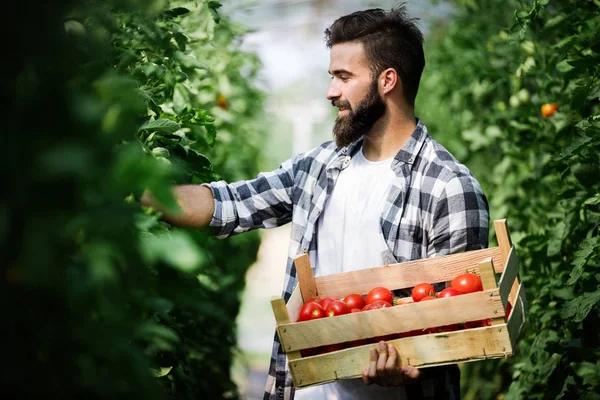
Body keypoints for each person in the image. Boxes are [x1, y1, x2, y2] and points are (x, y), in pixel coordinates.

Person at [142, 6, 489, 400]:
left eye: (344, 77)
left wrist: (409, 367)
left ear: (387, 80)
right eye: (331, 77)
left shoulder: (449, 187)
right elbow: (229, 203)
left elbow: (459, 325)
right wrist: (141, 192)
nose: (331, 92)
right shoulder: (320, 167)